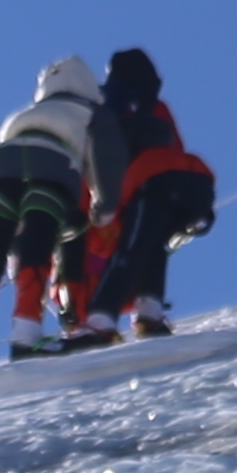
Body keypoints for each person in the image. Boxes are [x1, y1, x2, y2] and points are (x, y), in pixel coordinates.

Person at [0, 57, 111, 371]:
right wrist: (99, 208)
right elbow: (100, 168)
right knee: (36, 254)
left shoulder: (24, 113)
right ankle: (27, 337)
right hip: (51, 168)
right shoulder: (90, 114)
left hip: (0, 168)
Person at [61, 49, 214, 348]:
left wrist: (85, 211)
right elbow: (174, 150)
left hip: (137, 186)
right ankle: (149, 312)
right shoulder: (157, 108)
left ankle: (100, 321)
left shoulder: (101, 108)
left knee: (131, 249)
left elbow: (91, 164)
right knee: (151, 242)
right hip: (187, 182)